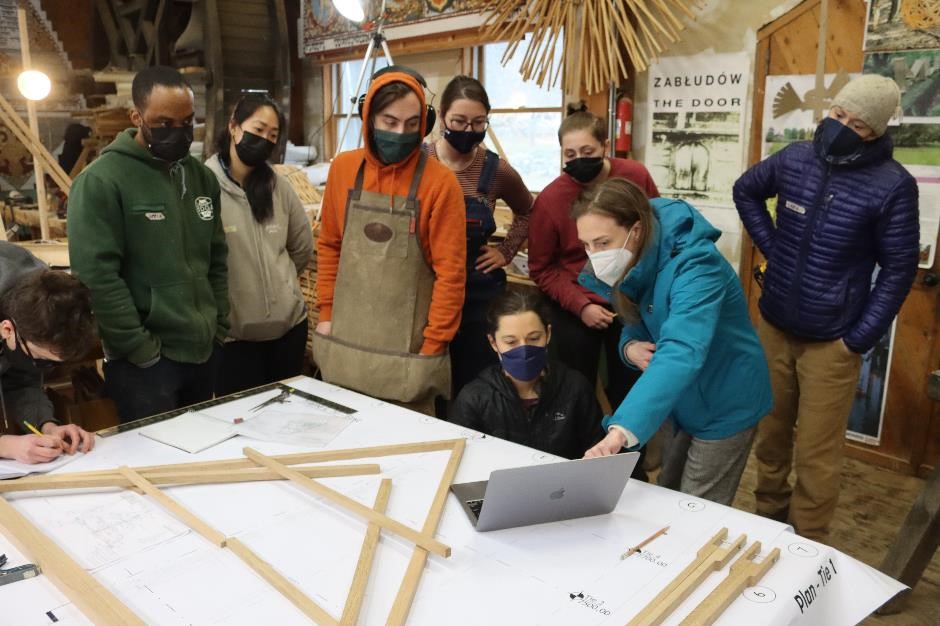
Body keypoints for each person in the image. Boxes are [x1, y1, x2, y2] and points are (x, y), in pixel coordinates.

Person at [733, 74, 919, 539]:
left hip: (831, 343)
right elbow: (746, 191)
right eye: (838, 115)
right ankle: (768, 520)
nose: (841, 126)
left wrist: (856, 340)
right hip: (775, 324)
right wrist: (772, 248)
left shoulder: (893, 186)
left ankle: (809, 543)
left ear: (876, 132)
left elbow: (898, 271)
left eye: (856, 124)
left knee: (816, 456)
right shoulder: (796, 158)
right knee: (771, 437)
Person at [575, 178, 772, 506]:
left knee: (697, 507)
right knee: (668, 490)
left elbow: (680, 349)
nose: (594, 255)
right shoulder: (636, 253)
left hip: (725, 399)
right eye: (586, 245)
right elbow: (637, 324)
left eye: (602, 242)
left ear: (635, 230)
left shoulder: (697, 266)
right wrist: (628, 348)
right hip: (682, 399)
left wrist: (620, 431)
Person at [68, 65, 229, 423]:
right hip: (145, 364)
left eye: (187, 122)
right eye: (164, 123)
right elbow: (97, 277)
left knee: (200, 452)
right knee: (156, 467)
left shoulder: (201, 177)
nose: (179, 132)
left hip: (203, 350)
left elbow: (216, 259)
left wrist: (219, 327)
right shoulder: (101, 182)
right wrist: (139, 349)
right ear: (136, 116)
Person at [312, 66, 466, 413]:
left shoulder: (440, 184)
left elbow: (451, 275)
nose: (401, 133)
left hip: (408, 353)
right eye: (390, 122)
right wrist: (326, 313)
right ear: (369, 119)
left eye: (412, 124)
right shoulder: (343, 169)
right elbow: (330, 245)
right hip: (344, 342)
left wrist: (432, 344)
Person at [528, 111, 658, 435]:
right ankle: (580, 450)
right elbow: (541, 268)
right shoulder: (550, 199)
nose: (578, 160)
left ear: (605, 145)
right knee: (575, 389)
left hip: (630, 300)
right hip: (576, 305)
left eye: (587, 153)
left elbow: (657, 231)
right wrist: (580, 306)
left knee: (630, 387)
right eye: (569, 155)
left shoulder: (636, 176)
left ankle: (633, 460)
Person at [425, 75, 533, 399]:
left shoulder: (496, 170)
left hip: (478, 295)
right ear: (442, 116)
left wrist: (506, 251)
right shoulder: (420, 162)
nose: (468, 131)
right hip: (426, 288)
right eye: (459, 121)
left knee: (474, 385)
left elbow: (528, 211)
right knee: (429, 380)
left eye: (478, 122)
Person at [206, 94, 314, 396]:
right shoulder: (205, 185)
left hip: (288, 331)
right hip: (236, 341)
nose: (264, 139)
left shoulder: (279, 186)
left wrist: (281, 284)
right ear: (234, 127)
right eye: (258, 129)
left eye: (273, 135)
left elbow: (302, 246)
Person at [449, 289, 603, 460]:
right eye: (511, 342)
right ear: (493, 342)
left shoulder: (575, 388)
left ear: (548, 334)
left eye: (534, 338)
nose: (523, 350)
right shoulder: (474, 399)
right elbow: (462, 463)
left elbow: (598, 453)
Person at [0, 242, 97, 463]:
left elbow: (21, 379)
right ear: (7, 329)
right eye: (41, 359)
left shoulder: (42, 298)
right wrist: (6, 446)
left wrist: (47, 425)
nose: (40, 366)